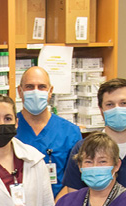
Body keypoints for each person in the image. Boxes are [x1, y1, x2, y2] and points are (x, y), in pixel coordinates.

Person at [61, 78, 126, 199]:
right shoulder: (82, 149)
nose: (117, 109)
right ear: (101, 110)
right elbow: (74, 199)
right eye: (110, 104)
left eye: (123, 103)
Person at [16, 66, 82, 197]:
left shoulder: (70, 132)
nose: (35, 92)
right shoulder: (9, 129)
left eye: (41, 87)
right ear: (20, 91)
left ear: (50, 91)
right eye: (29, 87)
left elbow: (75, 179)